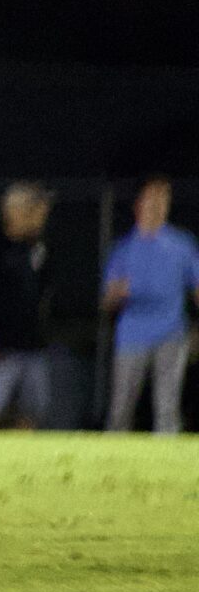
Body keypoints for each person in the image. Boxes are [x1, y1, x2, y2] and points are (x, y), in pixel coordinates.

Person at [103, 176, 199, 434]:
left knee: (167, 407)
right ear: (139, 204)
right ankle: (111, 452)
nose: (157, 204)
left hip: (171, 334)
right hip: (132, 335)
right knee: (121, 407)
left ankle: (167, 455)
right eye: (152, 198)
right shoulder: (123, 249)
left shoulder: (182, 244)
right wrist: (117, 293)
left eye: (163, 199)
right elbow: (107, 300)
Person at [0, 182, 56, 433]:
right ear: (17, 211)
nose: (43, 214)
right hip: (0, 350)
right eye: (37, 207)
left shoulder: (39, 249)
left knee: (30, 416)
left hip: (33, 349)